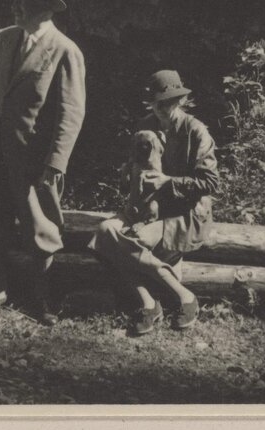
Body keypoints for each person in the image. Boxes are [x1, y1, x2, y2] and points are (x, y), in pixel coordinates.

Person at [0, 0, 86, 325]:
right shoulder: (3, 39)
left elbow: (72, 111)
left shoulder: (64, 50)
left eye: (24, 1)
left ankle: (42, 296)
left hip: (36, 163)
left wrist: (55, 163)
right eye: (16, 0)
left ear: (45, 7)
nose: (16, 7)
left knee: (42, 229)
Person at [89, 70, 220, 334]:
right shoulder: (145, 125)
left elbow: (210, 183)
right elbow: (133, 180)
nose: (161, 109)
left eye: (167, 103)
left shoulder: (196, 131)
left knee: (128, 244)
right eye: (157, 103)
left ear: (180, 101)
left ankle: (181, 298)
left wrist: (167, 181)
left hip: (183, 213)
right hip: (146, 210)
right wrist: (127, 174)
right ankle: (154, 302)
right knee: (104, 232)